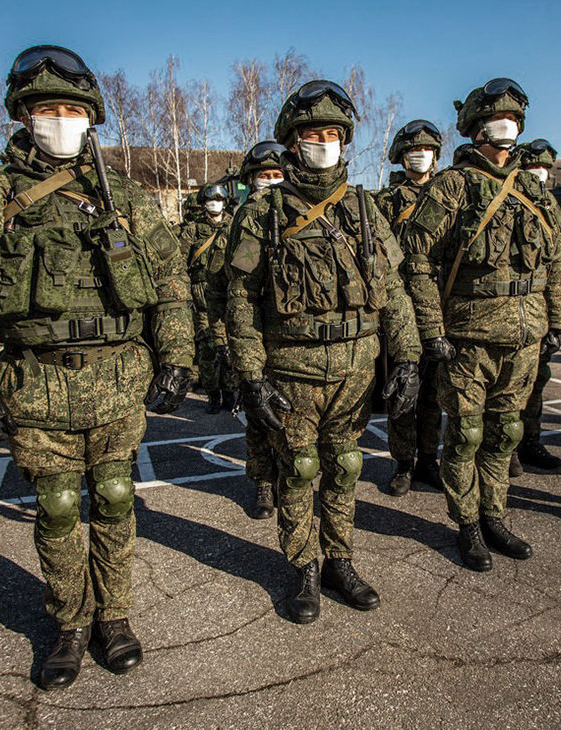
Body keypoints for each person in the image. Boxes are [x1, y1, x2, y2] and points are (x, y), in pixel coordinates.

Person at [0, 45, 194, 690]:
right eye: (46, 108)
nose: (60, 119)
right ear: (23, 116)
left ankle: (116, 617)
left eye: (72, 109)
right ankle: (69, 622)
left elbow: (170, 285)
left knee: (114, 497)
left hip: (115, 376)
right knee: (55, 507)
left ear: (93, 116)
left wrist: (179, 357)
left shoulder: (125, 198)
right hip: (38, 380)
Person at [225, 80, 421, 623]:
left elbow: (396, 291)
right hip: (291, 370)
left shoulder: (364, 208)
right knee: (299, 469)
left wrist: (407, 359)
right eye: (313, 133)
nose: (323, 142)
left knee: (346, 466)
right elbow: (241, 302)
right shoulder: (262, 214)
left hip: (356, 369)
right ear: (292, 142)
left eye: (332, 134)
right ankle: (304, 567)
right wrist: (252, 376)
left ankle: (339, 559)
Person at [400, 78, 561, 570]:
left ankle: (494, 514)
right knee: (466, 436)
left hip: (525, 335)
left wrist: (557, 320)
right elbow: (417, 261)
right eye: (498, 118)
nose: (507, 126)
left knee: (504, 433)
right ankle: (467, 524)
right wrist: (432, 330)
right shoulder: (453, 185)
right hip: (468, 338)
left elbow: (558, 259)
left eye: (515, 118)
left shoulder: (533, 189)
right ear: (475, 128)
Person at [374, 119, 445, 495]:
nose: (420, 155)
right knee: (403, 390)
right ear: (401, 157)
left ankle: (428, 460)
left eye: (427, 149)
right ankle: (403, 463)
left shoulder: (448, 195)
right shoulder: (385, 202)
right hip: (401, 310)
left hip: (440, 308)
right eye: (412, 150)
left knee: (433, 393)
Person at [225, 140, 287, 519]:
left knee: (285, 415)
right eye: (264, 176)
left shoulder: (297, 214)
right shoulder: (245, 220)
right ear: (250, 180)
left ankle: (285, 478)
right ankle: (263, 483)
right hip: (254, 331)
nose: (271, 181)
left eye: (277, 175)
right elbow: (239, 285)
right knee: (258, 417)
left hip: (288, 333)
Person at [515, 138, 561, 473]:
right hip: (509, 314)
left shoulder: (550, 207)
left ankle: (531, 441)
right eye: (532, 166)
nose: (538, 172)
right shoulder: (507, 200)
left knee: (537, 382)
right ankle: (505, 448)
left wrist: (559, 320)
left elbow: (560, 267)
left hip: (539, 312)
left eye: (544, 167)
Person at [180, 182, 234, 412]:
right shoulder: (193, 230)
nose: (215, 203)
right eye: (211, 199)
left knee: (229, 347)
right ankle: (213, 395)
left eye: (220, 199)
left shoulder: (234, 225)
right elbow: (179, 262)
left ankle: (230, 394)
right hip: (201, 298)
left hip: (228, 297)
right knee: (207, 349)